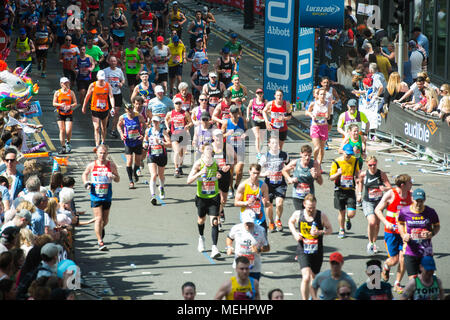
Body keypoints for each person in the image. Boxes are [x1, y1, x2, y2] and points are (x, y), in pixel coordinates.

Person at [288, 194, 333, 300]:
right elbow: (290, 222)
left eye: (313, 207)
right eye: (309, 208)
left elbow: (330, 229)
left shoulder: (321, 215)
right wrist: (295, 233)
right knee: (306, 276)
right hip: (303, 249)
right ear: (304, 204)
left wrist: (320, 232)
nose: (311, 210)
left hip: (317, 250)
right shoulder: (298, 214)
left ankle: (313, 297)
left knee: (314, 277)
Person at [375, 174, 412, 294]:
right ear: (402, 185)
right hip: (391, 232)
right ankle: (386, 266)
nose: (411, 184)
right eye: (409, 182)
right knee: (394, 260)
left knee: (403, 258)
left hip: (404, 233)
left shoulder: (411, 195)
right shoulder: (391, 194)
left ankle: (397, 283)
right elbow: (377, 210)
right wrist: (386, 222)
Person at [82, 144, 120, 251]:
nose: (102, 155)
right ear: (96, 153)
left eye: (104, 153)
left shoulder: (111, 165)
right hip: (95, 195)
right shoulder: (92, 165)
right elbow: (84, 174)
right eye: (100, 153)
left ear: (107, 154)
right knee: (98, 218)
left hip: (107, 195)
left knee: (105, 219)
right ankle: (100, 241)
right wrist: (86, 183)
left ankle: (101, 228)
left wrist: (113, 176)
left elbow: (118, 179)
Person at [186, 143, 222, 259]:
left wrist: (221, 174)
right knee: (201, 220)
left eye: (210, 149)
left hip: (214, 196)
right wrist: (199, 173)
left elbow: (222, 173)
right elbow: (188, 181)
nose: (209, 151)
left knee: (215, 221)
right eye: (207, 149)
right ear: (202, 151)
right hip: (201, 197)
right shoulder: (198, 163)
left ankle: (214, 247)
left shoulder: (216, 163)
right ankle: (201, 237)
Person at [398, 188, 440, 279]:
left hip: (426, 251)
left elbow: (437, 226)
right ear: (412, 199)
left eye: (421, 201)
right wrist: (403, 235)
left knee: (425, 278)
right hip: (410, 250)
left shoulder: (431, 212)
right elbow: (400, 223)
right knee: (413, 280)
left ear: (424, 200)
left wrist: (431, 234)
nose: (418, 203)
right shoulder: (404, 211)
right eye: (417, 201)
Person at [357, 156, 391, 255]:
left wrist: (384, 189)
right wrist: (359, 194)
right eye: (370, 165)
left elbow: (389, 186)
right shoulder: (363, 174)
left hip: (379, 202)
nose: (372, 167)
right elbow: (360, 184)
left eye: (374, 165)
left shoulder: (381, 174)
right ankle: (370, 243)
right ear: (367, 164)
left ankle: (374, 242)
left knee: (377, 224)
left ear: (377, 163)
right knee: (372, 222)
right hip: (368, 201)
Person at [226, 209, 270, 281]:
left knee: (253, 289)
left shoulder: (261, 230)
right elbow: (229, 238)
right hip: (240, 265)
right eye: (247, 223)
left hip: (255, 267)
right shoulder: (236, 229)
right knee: (240, 289)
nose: (248, 225)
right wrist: (229, 247)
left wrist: (258, 249)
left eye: (251, 223)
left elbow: (267, 247)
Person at [329, 143, 360, 239]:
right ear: (343, 152)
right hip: (340, 190)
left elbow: (357, 173)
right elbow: (331, 177)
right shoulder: (336, 162)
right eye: (347, 154)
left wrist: (359, 180)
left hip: (350, 189)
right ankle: (341, 229)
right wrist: (338, 174)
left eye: (350, 154)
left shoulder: (355, 160)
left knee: (351, 213)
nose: (349, 156)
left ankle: (348, 218)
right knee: (341, 212)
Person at [258, 137, 289, 232]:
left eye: (276, 143)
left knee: (279, 203)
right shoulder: (265, 157)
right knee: (269, 205)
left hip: (280, 183)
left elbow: (289, 166)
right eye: (273, 143)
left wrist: (288, 174)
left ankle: (278, 219)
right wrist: (263, 174)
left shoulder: (284, 155)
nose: (275, 145)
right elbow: (257, 170)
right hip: (268, 185)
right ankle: (271, 221)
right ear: (269, 144)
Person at [82, 70, 115, 152]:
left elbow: (111, 96)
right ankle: (97, 145)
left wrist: (113, 107)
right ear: (97, 77)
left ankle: (103, 142)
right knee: (96, 127)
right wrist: (84, 106)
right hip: (95, 109)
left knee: (103, 127)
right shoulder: (92, 85)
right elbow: (87, 96)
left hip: (105, 109)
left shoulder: (107, 86)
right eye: (100, 79)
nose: (101, 81)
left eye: (102, 79)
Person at [282, 144, 322, 211]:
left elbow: (320, 182)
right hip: (297, 195)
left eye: (309, 155)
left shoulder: (314, 164)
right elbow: (284, 170)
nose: (307, 158)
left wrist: (316, 176)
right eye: (305, 155)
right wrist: (290, 179)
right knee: (300, 215)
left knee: (309, 215)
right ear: (301, 154)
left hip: (309, 197)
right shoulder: (295, 162)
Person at [234, 163, 271, 233]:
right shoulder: (243, 186)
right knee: (248, 241)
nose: (256, 175)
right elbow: (236, 203)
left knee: (263, 242)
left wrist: (265, 203)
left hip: (259, 218)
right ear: (249, 172)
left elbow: (268, 204)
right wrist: (246, 203)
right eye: (254, 173)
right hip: (247, 218)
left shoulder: (263, 186)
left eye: (257, 173)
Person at [117, 104, 146, 189]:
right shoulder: (123, 117)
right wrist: (121, 134)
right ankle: (131, 181)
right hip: (128, 142)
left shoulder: (138, 116)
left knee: (137, 161)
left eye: (131, 108)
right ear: (125, 110)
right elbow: (118, 125)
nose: (130, 110)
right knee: (129, 161)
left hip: (137, 141)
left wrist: (142, 134)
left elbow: (144, 125)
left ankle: (134, 173)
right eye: (128, 109)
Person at [143, 116, 171, 205]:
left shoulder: (163, 131)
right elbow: (145, 139)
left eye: (156, 122)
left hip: (162, 155)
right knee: (154, 175)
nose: (155, 123)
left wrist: (161, 142)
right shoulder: (148, 130)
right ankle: (153, 195)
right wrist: (145, 144)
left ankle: (161, 187)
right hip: (152, 155)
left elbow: (169, 144)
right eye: (153, 121)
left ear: (159, 122)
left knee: (161, 175)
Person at [165, 97, 193, 177]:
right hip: (175, 134)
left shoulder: (185, 113)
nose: (178, 105)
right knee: (177, 151)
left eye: (179, 103)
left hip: (183, 135)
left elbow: (191, 122)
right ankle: (176, 169)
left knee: (182, 152)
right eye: (176, 103)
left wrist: (187, 126)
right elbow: (166, 119)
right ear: (174, 104)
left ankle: (180, 165)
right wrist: (168, 127)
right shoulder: (170, 113)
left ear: (182, 104)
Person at [223, 105, 247, 198]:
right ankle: (230, 189)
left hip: (240, 147)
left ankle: (236, 186)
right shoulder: (226, 122)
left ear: (238, 113)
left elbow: (246, 129)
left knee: (239, 170)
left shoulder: (242, 120)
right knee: (230, 171)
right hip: (230, 148)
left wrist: (245, 134)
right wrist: (226, 134)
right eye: (232, 113)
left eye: (235, 113)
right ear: (230, 113)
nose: (233, 114)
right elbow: (221, 135)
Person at [306, 88, 332, 168]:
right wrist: (312, 116)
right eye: (321, 94)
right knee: (317, 147)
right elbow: (307, 112)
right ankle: (314, 162)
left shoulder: (328, 103)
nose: (323, 96)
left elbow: (329, 115)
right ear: (318, 95)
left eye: (324, 94)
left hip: (324, 127)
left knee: (322, 148)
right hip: (315, 127)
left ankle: (319, 165)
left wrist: (327, 116)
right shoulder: (313, 104)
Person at [211, 129, 231, 231]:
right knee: (218, 199)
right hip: (215, 176)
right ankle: (218, 221)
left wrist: (228, 166)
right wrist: (215, 171)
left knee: (224, 200)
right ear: (213, 137)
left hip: (225, 175)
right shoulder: (210, 148)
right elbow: (206, 162)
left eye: (220, 136)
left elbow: (233, 159)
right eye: (216, 136)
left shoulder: (226, 147)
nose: (218, 138)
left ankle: (221, 210)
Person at [52, 77, 77, 155]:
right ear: (61, 84)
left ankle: (68, 142)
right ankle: (63, 147)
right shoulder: (57, 93)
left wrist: (70, 106)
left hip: (69, 113)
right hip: (60, 113)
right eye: (64, 83)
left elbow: (75, 103)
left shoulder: (71, 92)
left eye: (67, 83)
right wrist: (60, 104)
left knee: (68, 130)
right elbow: (54, 103)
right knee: (62, 130)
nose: (66, 84)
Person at [103, 56, 126, 138]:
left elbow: (122, 80)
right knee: (108, 113)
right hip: (108, 94)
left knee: (116, 113)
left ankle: (113, 130)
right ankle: (105, 124)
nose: (113, 63)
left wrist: (121, 84)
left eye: (114, 61)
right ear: (109, 62)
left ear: (116, 62)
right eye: (111, 61)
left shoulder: (119, 71)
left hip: (117, 94)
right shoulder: (105, 71)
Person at [246, 88, 267, 158]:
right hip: (254, 119)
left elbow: (269, 110)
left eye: (261, 93)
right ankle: (258, 153)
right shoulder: (252, 101)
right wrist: (247, 116)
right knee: (257, 137)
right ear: (256, 94)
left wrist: (264, 111)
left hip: (263, 120)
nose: (259, 95)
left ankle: (260, 149)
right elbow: (248, 108)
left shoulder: (265, 101)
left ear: (263, 94)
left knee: (262, 138)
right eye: (258, 93)